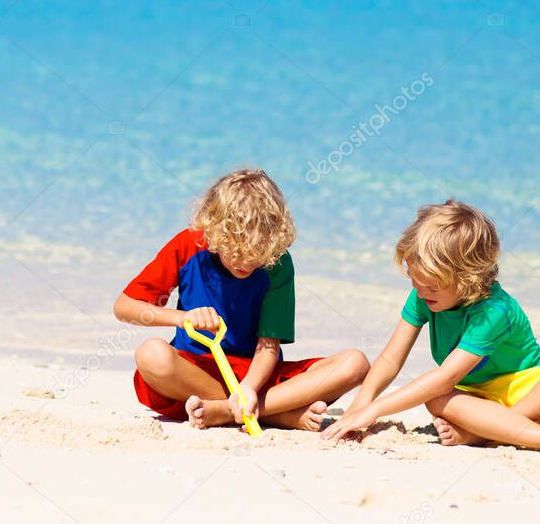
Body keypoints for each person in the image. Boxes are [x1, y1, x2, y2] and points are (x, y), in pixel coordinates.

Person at [322, 200, 540, 457]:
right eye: (414, 282)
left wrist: (376, 410)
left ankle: (520, 436)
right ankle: (496, 430)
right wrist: (360, 405)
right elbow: (391, 358)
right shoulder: (424, 296)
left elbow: (447, 375)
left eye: (431, 286)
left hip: (539, 399)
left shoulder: (493, 311)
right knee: (433, 396)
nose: (420, 293)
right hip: (476, 403)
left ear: (469, 279)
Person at [114, 168, 369, 431]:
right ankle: (275, 415)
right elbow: (125, 307)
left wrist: (248, 387)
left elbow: (268, 344)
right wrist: (182, 318)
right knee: (151, 355)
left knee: (355, 364)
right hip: (193, 375)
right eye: (236, 252)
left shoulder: (277, 263)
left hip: (256, 376)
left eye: (256, 255)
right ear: (213, 232)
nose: (245, 262)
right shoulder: (189, 245)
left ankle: (227, 411)